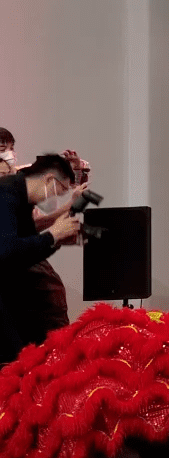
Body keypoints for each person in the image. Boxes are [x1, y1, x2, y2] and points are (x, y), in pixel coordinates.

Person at [0, 154, 84, 365]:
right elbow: (8, 251)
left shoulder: (22, 197)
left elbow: (27, 250)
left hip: (12, 287)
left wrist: (56, 241)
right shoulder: (6, 194)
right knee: (15, 358)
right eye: (59, 191)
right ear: (49, 180)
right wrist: (53, 235)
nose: (54, 197)